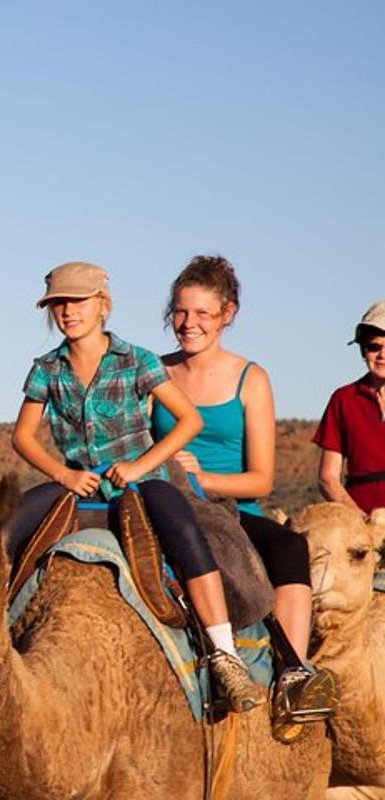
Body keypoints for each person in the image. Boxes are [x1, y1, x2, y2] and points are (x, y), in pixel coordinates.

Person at [6, 261, 263, 711]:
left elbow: (189, 420)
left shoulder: (136, 360)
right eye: (59, 304)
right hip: (78, 482)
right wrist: (63, 474)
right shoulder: (47, 369)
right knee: (4, 530)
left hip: (142, 481)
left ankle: (224, 655)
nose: (68, 312)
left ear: (103, 306)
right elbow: (22, 436)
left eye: (78, 302)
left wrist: (140, 464)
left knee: (184, 529)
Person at [152, 255, 337, 731]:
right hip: (168, 502)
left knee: (289, 547)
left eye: (202, 314)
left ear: (227, 314)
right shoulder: (153, 373)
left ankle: (292, 673)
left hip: (232, 508)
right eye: (180, 312)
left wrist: (200, 476)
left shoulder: (250, 379)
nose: (188, 324)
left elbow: (262, 480)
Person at [314, 300, 385, 516]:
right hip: (358, 520)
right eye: (374, 347)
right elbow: (328, 478)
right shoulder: (344, 400)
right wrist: (361, 523)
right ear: (363, 350)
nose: (382, 355)